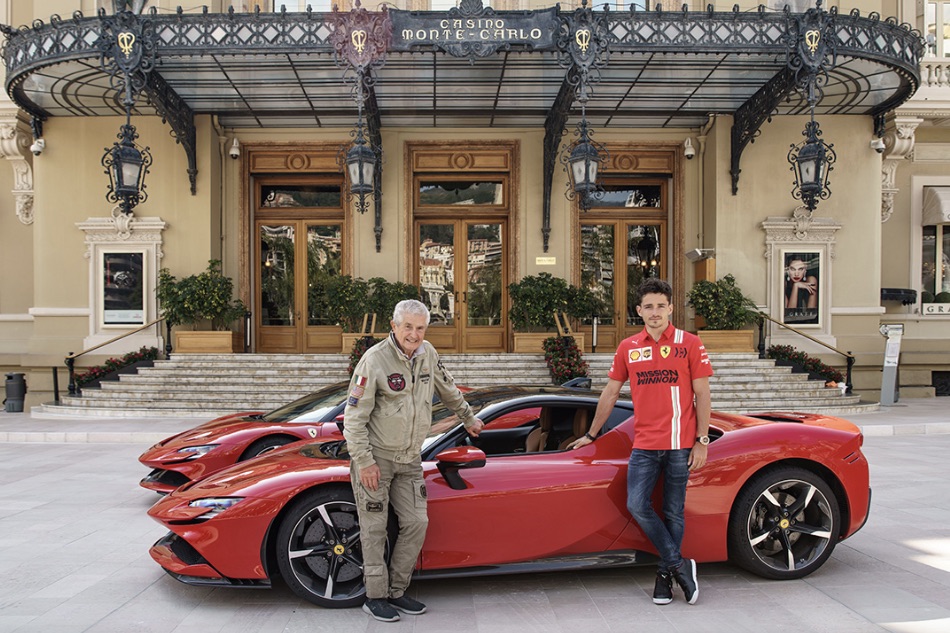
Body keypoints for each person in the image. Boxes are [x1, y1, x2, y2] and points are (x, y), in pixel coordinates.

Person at [570, 278, 713, 606]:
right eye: (648, 306)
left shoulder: (689, 343)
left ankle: (664, 577)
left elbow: (703, 394)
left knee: (674, 512)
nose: (655, 312)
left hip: (680, 444)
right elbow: (610, 392)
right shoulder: (628, 347)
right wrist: (591, 434)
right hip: (645, 445)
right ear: (639, 310)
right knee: (637, 504)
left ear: (671, 308)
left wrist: (701, 441)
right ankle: (679, 565)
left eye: (661, 305)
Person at [343, 299, 484, 623]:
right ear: (394, 326)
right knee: (375, 528)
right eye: (408, 327)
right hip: (376, 457)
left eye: (420, 328)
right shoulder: (374, 361)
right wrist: (364, 462)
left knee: (417, 523)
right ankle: (375, 597)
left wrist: (468, 418)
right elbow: (353, 417)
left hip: (409, 458)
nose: (414, 334)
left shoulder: (428, 354)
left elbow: (447, 389)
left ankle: (397, 591)